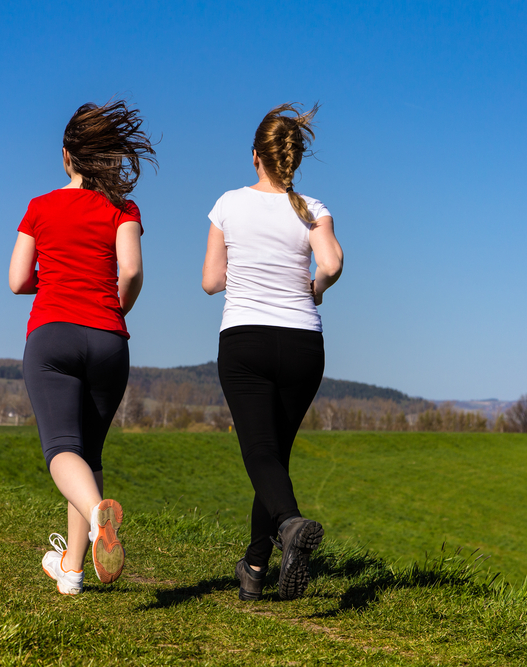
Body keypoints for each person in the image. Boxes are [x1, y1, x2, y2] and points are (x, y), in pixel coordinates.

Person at [9, 100, 155, 595]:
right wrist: (114, 310)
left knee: (60, 452)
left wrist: (52, 278)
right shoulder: (124, 209)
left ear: (68, 155)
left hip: (52, 335)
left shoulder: (40, 206)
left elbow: (16, 280)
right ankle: (71, 572)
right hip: (110, 338)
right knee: (88, 455)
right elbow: (131, 272)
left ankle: (98, 518)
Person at [202, 103, 343, 601]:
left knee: (259, 452)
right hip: (304, 342)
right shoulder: (312, 208)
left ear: (255, 157)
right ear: (293, 160)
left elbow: (210, 281)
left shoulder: (229, 204)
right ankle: (255, 569)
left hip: (245, 339)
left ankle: (289, 525)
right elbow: (332, 261)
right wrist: (316, 287)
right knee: (275, 458)